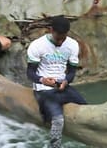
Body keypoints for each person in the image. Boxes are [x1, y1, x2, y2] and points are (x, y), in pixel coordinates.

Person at [25, 16, 87, 148]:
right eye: (58, 36)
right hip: (43, 89)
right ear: (50, 30)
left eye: (63, 37)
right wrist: (43, 80)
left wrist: (66, 81)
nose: (60, 41)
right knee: (58, 120)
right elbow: (30, 73)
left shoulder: (72, 45)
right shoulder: (37, 45)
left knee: (87, 110)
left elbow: (71, 72)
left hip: (62, 86)